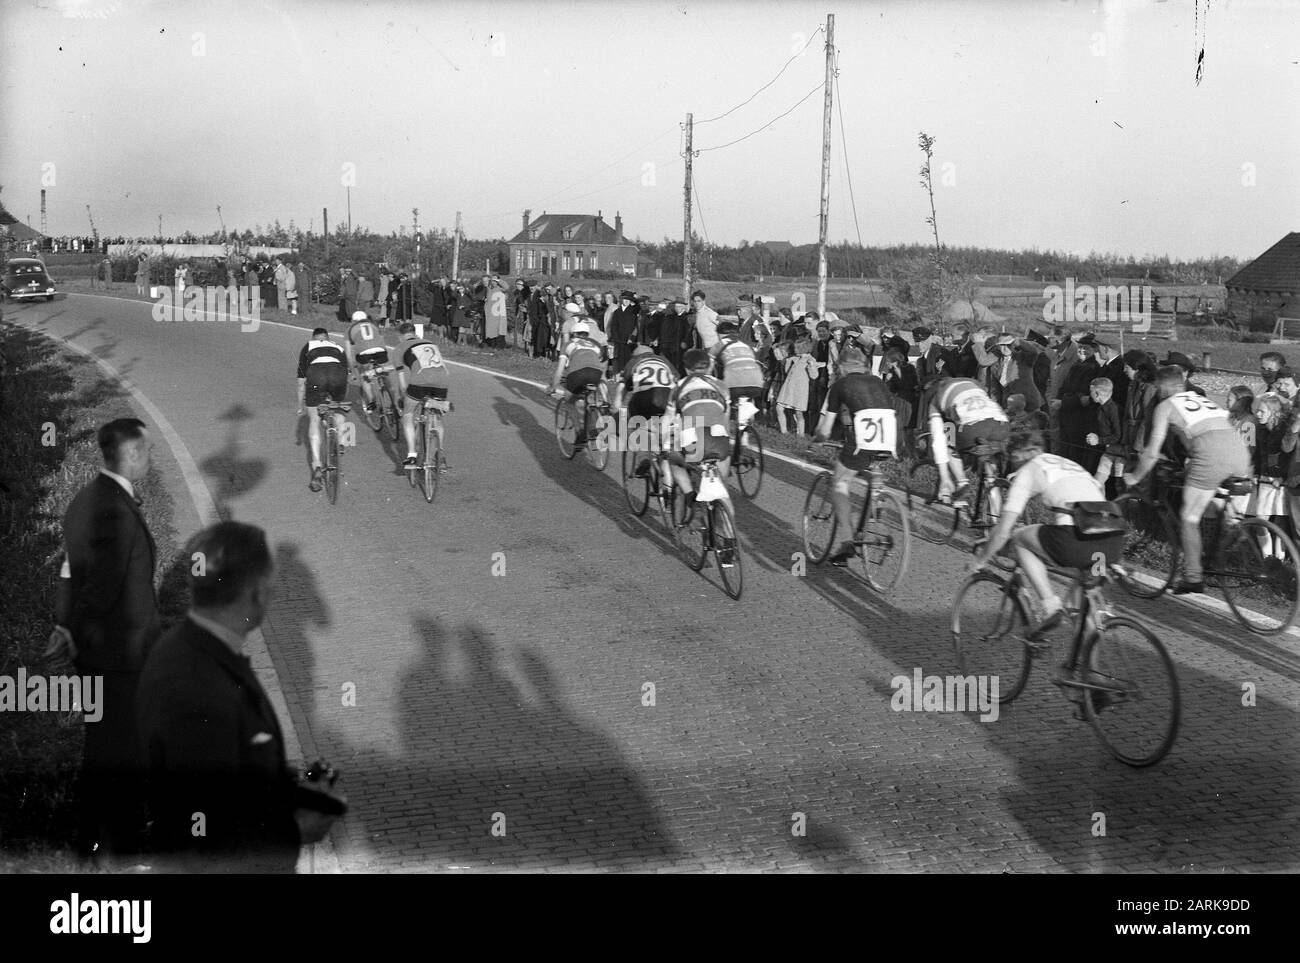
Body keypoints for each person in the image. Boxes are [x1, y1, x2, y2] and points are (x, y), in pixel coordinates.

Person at [137, 521, 344, 873]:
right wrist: (296, 830)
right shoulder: (201, 686)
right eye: (270, 585)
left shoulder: (191, 649)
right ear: (256, 593)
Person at [48, 418, 161, 862]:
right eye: (147, 452)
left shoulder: (85, 499)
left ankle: (90, 844)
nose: (149, 460)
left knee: (104, 749)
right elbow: (102, 585)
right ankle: (124, 847)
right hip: (120, 653)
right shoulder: (115, 509)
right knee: (126, 750)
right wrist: (73, 632)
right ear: (131, 454)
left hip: (103, 651)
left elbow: (68, 571)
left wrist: (64, 624)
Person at [970, 431, 1124, 639]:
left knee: (1019, 537)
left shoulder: (1029, 470)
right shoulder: (1066, 463)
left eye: (1014, 458)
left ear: (1030, 453)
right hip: (1111, 542)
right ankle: (1087, 668)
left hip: (1075, 540)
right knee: (1080, 613)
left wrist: (981, 560)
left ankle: (1051, 607)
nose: (1013, 464)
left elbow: (1003, 531)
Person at [1123, 365, 1252, 594]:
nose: (1156, 391)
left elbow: (1151, 452)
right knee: (1213, 501)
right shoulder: (1202, 399)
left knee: (1189, 517)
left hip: (1210, 453)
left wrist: (1134, 477)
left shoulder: (1165, 406)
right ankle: (1233, 535)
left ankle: (1193, 576)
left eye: (1156, 387)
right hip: (1239, 452)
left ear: (1163, 385)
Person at [812, 345, 898, 566]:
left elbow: (825, 428)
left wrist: (818, 439)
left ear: (841, 366)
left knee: (839, 484)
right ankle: (876, 497)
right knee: (868, 465)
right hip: (890, 438)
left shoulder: (840, 385)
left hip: (863, 440)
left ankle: (847, 541)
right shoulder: (878, 381)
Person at [662, 348, 734, 520]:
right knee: (722, 490)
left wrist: (663, 443)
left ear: (686, 368)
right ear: (709, 366)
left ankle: (690, 496)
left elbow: (668, 419)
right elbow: (726, 417)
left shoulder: (679, 387)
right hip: (720, 439)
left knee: (674, 461)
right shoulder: (722, 386)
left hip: (694, 440)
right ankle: (731, 538)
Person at [923, 375, 1010, 505]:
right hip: (1002, 424)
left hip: (974, 427)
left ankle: (962, 483)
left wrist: (945, 477)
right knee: (988, 453)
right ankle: (991, 483)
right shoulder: (971, 382)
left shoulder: (936, 398)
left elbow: (938, 440)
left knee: (948, 445)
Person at [611, 344, 678, 477]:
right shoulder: (665, 361)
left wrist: (616, 411)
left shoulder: (634, 361)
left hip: (644, 397)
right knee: (671, 429)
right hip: (668, 396)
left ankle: (643, 458)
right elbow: (677, 382)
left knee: (634, 426)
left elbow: (621, 390)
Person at [296, 327, 349, 492]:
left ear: (314, 338)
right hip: (338, 376)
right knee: (337, 410)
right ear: (328, 338)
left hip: (316, 376)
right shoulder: (338, 347)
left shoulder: (308, 347)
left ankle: (317, 465)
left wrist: (300, 405)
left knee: (314, 418)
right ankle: (340, 439)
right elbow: (346, 372)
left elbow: (301, 382)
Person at [548, 320, 606, 448]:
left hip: (578, 373)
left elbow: (560, 369)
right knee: (589, 398)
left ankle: (580, 432)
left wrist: (553, 386)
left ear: (574, 333)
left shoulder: (569, 344)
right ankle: (594, 425)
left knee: (569, 401)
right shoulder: (595, 344)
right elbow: (600, 363)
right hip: (596, 372)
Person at [710, 319, 766, 430]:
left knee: (725, 400)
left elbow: (708, 366)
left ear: (720, 334)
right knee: (747, 397)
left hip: (734, 381)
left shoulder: (718, 345)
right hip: (757, 381)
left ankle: (723, 428)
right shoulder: (745, 345)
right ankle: (748, 423)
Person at [345, 310, 400, 418]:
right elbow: (380, 339)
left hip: (363, 354)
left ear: (353, 320)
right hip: (380, 351)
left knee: (364, 375)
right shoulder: (373, 325)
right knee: (385, 374)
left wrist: (351, 369)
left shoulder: (349, 329)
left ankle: (372, 400)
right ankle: (395, 404)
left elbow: (348, 353)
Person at [1086, 377, 1124, 493]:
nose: (1090, 394)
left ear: (1097, 393)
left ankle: (1122, 509)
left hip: (1120, 454)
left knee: (1120, 485)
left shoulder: (1114, 410)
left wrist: (1099, 440)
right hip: (1108, 452)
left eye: (1091, 391)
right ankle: (1101, 508)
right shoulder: (1100, 409)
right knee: (1098, 481)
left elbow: (1118, 435)